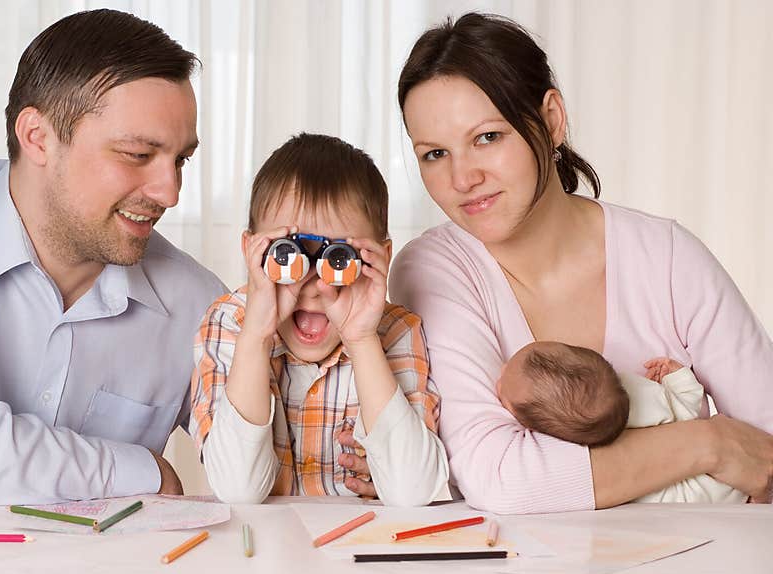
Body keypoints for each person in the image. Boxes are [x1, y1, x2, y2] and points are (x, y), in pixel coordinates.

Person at [388, 12, 773, 514]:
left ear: (550, 119)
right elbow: (499, 478)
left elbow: (766, 453)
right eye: (435, 153)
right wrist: (710, 444)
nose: (463, 178)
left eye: (487, 137)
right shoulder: (433, 271)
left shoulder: (667, 257)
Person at [0, 9, 227, 506]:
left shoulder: (198, 304)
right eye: (137, 154)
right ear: (38, 137)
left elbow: (265, 472)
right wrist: (146, 470)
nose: (170, 192)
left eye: (180, 159)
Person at [187, 133, 449, 506]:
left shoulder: (395, 332)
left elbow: (414, 491)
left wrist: (361, 340)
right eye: (287, 255)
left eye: (337, 259)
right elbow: (236, 489)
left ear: (379, 257)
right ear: (250, 251)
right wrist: (257, 337)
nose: (311, 285)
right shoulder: (231, 323)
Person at [497, 341, 746, 503]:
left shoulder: (566, 447)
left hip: (686, 498)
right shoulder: (636, 394)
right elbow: (688, 406)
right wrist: (677, 376)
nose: (503, 368)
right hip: (716, 480)